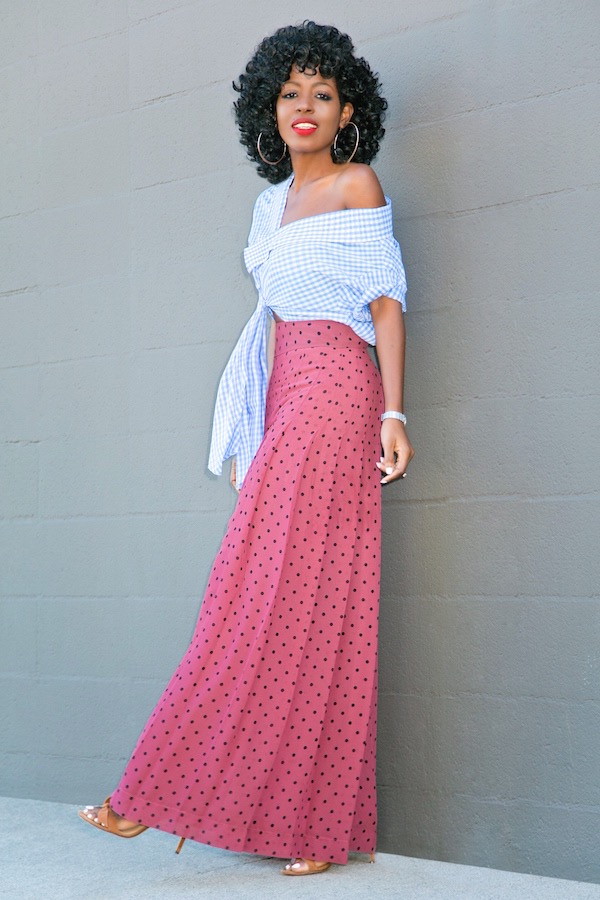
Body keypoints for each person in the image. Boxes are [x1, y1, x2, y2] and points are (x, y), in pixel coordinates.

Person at [79, 20, 414, 877]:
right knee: (287, 604)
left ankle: (147, 800)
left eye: (323, 94)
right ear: (269, 106)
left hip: (337, 391)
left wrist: (394, 414)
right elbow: (271, 320)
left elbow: (385, 303)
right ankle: (298, 825)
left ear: (347, 112)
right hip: (285, 388)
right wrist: (260, 419)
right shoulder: (270, 206)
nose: (306, 107)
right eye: (291, 92)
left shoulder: (356, 184)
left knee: (277, 601)